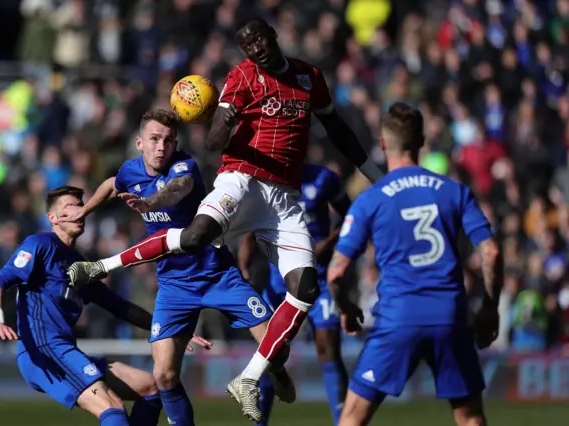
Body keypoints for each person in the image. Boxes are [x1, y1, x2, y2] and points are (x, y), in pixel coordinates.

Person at [67, 18, 383, 422]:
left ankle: (250, 378)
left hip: (283, 197)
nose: (256, 49)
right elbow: (215, 143)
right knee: (196, 235)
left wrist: (377, 177)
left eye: (260, 40)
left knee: (306, 287)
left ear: (274, 36)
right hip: (243, 180)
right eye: (248, 45)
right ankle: (102, 266)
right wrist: (225, 118)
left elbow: (337, 128)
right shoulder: (241, 78)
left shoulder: (309, 77)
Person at [62, 109, 294, 426]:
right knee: (164, 375)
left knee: (276, 347)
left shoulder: (185, 166)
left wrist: (150, 203)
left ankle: (277, 370)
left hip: (216, 274)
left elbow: (179, 188)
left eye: (169, 141)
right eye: (155, 140)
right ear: (140, 143)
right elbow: (112, 184)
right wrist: (86, 210)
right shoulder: (130, 171)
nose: (162, 147)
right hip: (174, 285)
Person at [327, 103, 503, 426]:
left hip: (398, 317)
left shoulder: (372, 199)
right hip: (449, 314)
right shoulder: (454, 191)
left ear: (383, 144)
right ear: (421, 142)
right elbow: (490, 252)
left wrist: (345, 307)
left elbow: (336, 271)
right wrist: (490, 307)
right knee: (471, 419)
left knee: (351, 419)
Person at [0, 185, 213, 426]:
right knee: (112, 406)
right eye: (69, 207)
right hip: (43, 350)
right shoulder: (40, 244)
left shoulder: (80, 264)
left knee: (151, 386)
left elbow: (120, 307)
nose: (78, 211)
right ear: (52, 218)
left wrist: (173, 329)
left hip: (65, 350)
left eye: (80, 206)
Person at [238, 163, 351, 426]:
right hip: (279, 281)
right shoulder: (266, 179)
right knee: (269, 354)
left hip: (320, 278)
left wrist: (329, 244)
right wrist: (243, 264)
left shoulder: (324, 178)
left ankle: (344, 421)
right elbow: (251, 225)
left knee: (328, 348)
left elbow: (350, 215)